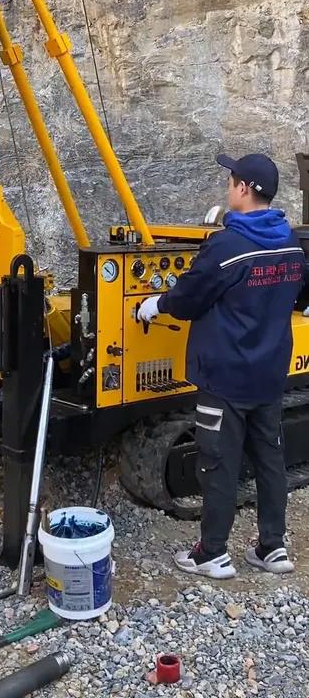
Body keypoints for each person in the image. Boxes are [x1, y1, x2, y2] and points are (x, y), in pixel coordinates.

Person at [138, 153, 305, 578]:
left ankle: (211, 552)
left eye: (231, 181)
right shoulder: (290, 243)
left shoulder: (228, 246)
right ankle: (273, 547)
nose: (228, 187)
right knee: (269, 460)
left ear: (244, 189)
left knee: (218, 463)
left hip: (225, 378)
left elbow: (189, 298)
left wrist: (154, 304)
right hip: (269, 375)